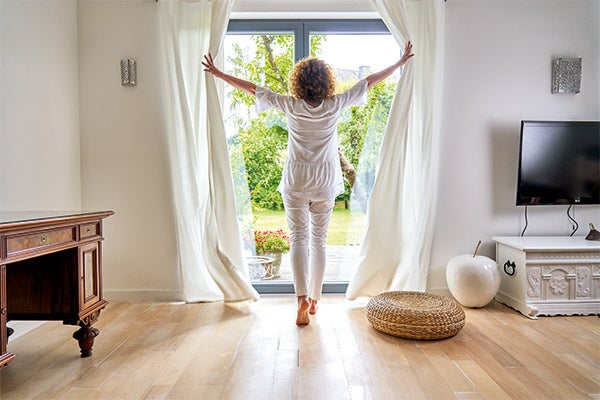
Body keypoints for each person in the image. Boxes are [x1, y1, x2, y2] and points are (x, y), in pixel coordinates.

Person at [202, 42, 414, 325]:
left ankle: (300, 298)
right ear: (327, 82)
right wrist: (398, 64)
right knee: (319, 242)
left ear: (298, 82)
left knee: (299, 240)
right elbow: (368, 82)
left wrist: (218, 73)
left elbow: (253, 88)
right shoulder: (334, 104)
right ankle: (315, 300)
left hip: (296, 182)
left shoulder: (291, 105)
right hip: (325, 182)